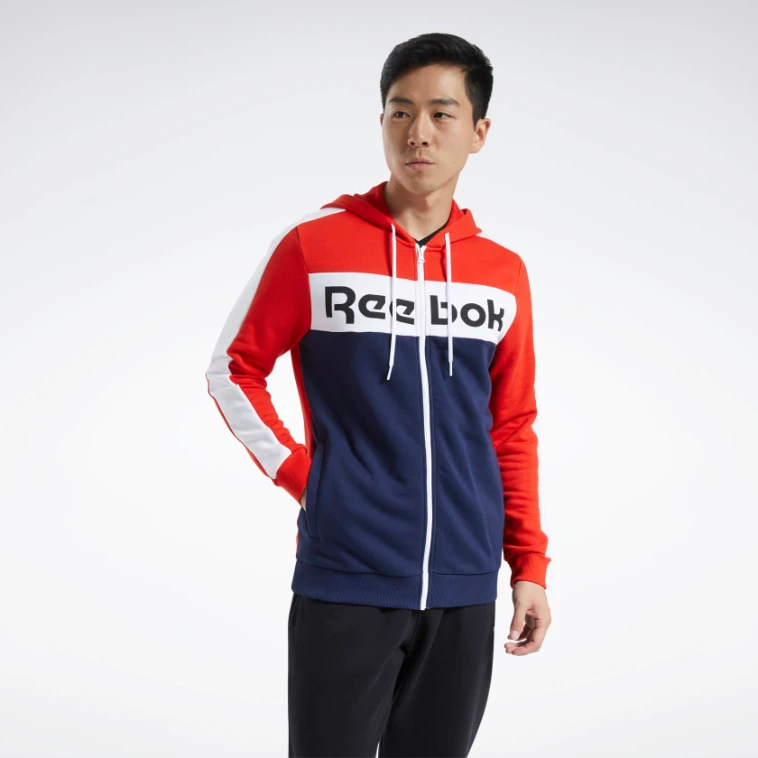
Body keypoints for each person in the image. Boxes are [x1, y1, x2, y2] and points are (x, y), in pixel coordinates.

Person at [205, 31, 552, 758]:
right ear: (383, 121)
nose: (418, 132)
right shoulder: (314, 247)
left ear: (479, 131)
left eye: (441, 113)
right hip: (347, 574)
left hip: (463, 582)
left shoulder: (502, 273)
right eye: (400, 111)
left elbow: (511, 425)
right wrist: (306, 477)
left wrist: (528, 565)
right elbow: (233, 368)